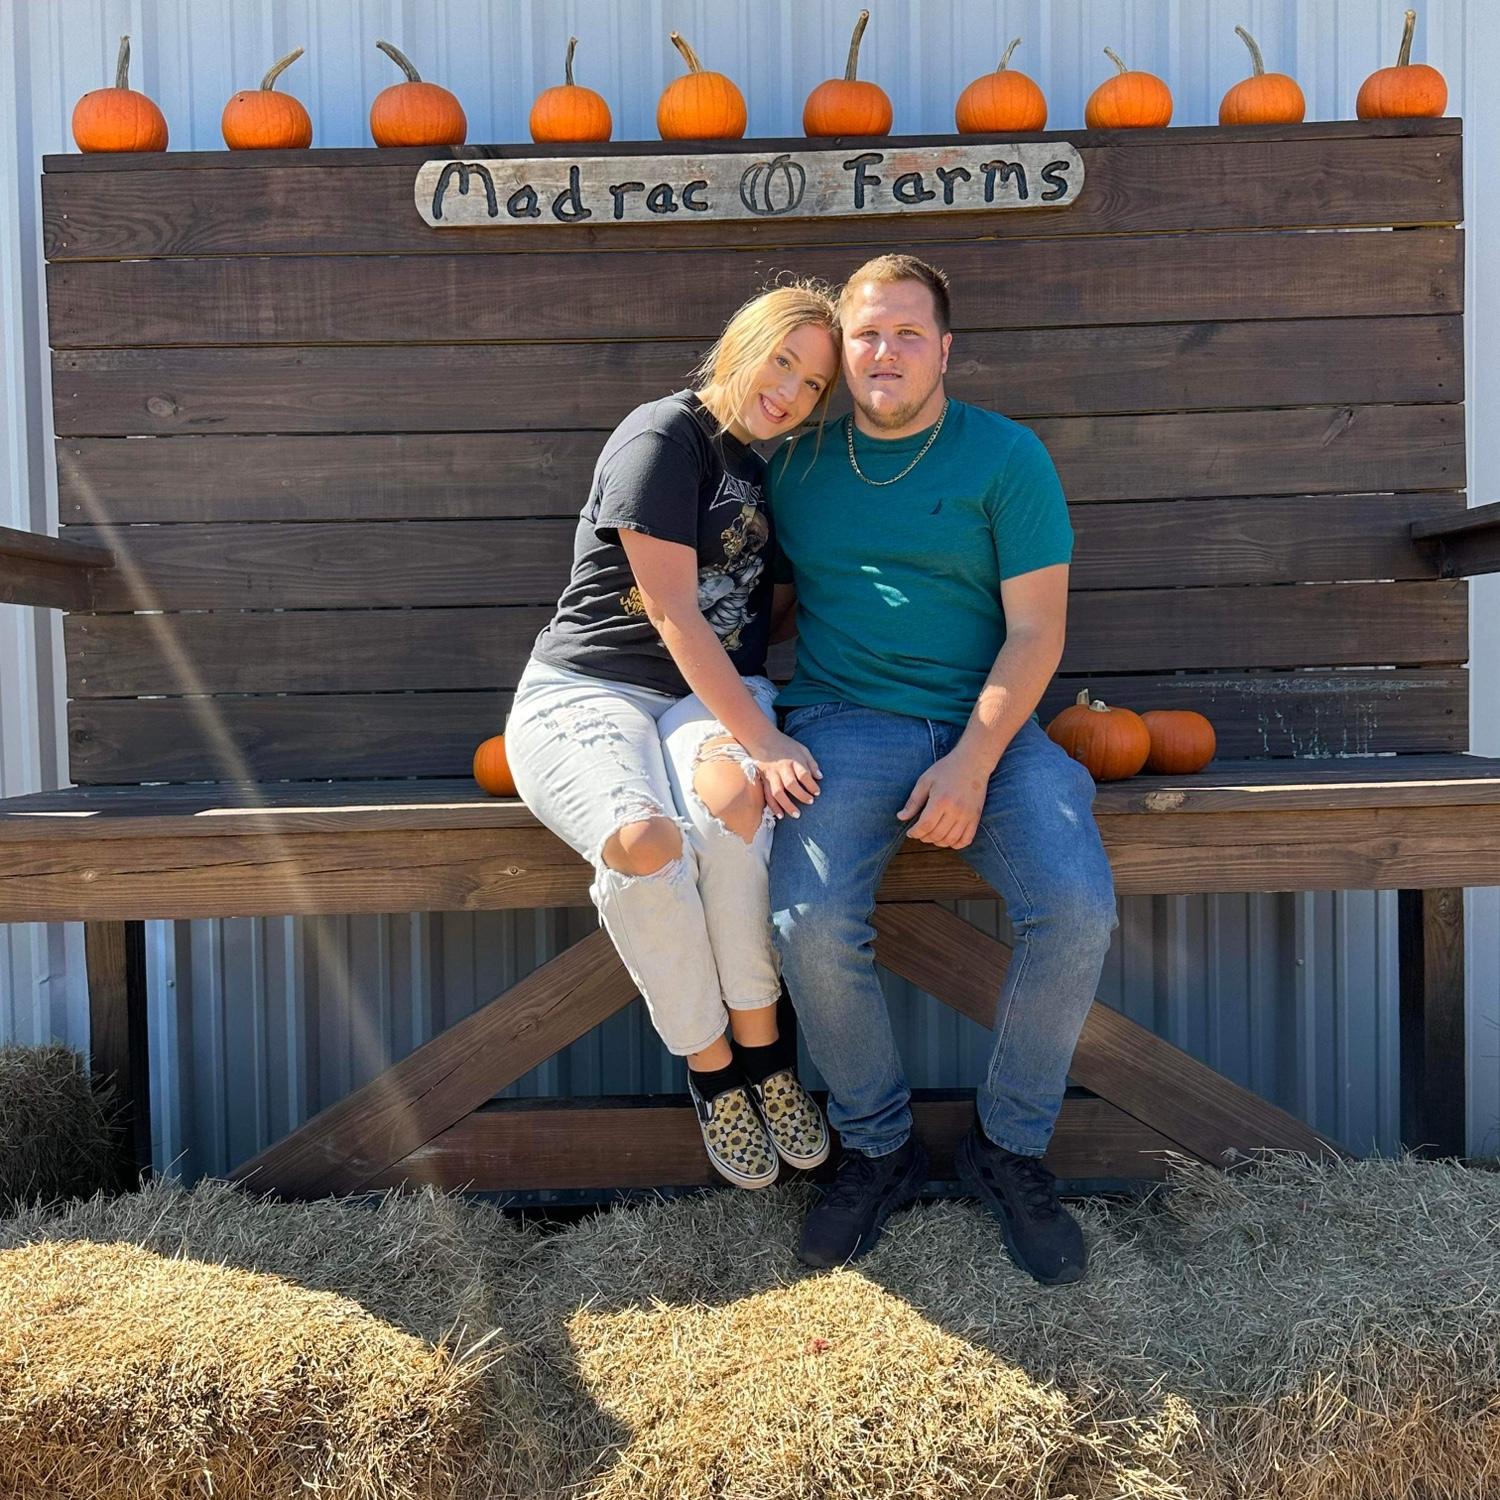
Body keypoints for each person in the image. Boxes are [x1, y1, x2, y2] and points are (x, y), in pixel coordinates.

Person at [766, 254, 1119, 1283]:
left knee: (1076, 908)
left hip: (992, 729)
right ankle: (878, 1148)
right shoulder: (796, 465)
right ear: (844, 350)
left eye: (908, 334)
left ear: (946, 349)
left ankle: (1007, 1147)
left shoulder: (1005, 456)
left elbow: (1037, 632)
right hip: (842, 723)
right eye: (867, 334)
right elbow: (745, 599)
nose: (886, 353)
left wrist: (972, 761)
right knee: (807, 924)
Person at [507, 283, 840, 1191]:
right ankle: (714, 1068)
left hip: (706, 697)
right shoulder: (665, 434)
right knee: (645, 840)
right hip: (592, 688)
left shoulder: (771, 474)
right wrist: (765, 740)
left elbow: (771, 608)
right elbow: (673, 613)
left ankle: (766, 1052)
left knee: (733, 808)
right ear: (741, 345)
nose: (790, 392)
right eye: (782, 361)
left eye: (814, 384)